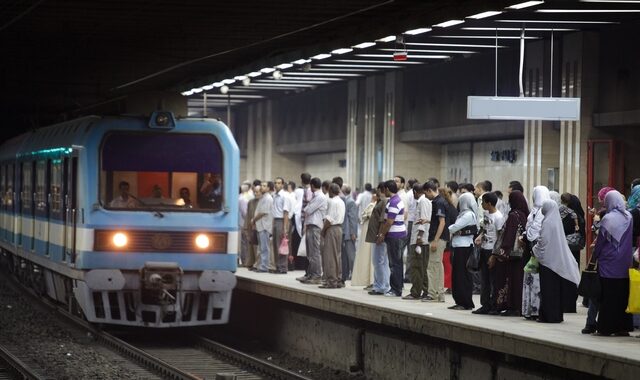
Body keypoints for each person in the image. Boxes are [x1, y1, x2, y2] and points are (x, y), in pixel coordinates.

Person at [593, 190, 634, 336]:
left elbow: (600, 242)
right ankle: (622, 327)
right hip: (624, 263)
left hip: (608, 264)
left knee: (608, 297)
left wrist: (595, 256)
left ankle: (605, 328)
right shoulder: (629, 217)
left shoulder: (608, 219)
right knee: (623, 296)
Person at [533, 200, 581, 323]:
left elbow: (543, 241)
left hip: (548, 261)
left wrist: (535, 249)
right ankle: (556, 315)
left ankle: (548, 316)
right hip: (555, 261)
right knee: (555, 290)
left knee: (547, 290)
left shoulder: (548, 222)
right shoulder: (556, 221)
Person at [489, 190, 528, 316]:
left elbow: (509, 237)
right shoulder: (525, 214)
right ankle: (519, 306)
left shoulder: (513, 215)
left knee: (510, 280)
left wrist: (501, 253)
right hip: (522, 254)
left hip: (511, 256)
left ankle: (512, 307)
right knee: (519, 280)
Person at [473, 192, 504, 314]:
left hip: (492, 251)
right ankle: (484, 304)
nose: (482, 204)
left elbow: (500, 236)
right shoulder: (486, 214)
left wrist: (494, 255)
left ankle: (494, 305)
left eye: (483, 202)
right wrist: (480, 236)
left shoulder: (498, 217)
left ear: (489, 203)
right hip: (484, 249)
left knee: (493, 280)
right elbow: (485, 228)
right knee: (484, 279)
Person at [522, 186, 550, 319]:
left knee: (536, 281)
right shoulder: (535, 211)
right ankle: (530, 309)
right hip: (532, 250)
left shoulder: (543, 211)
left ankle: (536, 309)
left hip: (539, 250)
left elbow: (534, 232)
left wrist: (527, 234)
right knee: (531, 280)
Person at [447, 192, 477, 310]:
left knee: (462, 276)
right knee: (458, 275)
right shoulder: (464, 214)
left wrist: (451, 229)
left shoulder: (468, 215)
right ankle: (460, 300)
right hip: (460, 246)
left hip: (463, 247)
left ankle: (465, 302)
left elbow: (454, 227)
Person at [377, 179, 407, 297]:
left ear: (388, 189)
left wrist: (382, 234)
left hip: (395, 235)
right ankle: (397, 287)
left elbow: (389, 222)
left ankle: (395, 289)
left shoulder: (394, 202)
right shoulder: (395, 200)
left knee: (394, 263)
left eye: (384, 189)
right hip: (398, 235)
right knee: (396, 262)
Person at [403, 183, 431, 300]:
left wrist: (419, 237)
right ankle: (424, 291)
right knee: (421, 267)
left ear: (415, 192)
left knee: (416, 267)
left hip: (419, 239)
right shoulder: (425, 201)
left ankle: (415, 292)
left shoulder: (423, 201)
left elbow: (423, 220)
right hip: (421, 239)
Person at [423, 181, 449, 302]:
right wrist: (427, 221)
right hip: (440, 238)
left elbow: (442, 222)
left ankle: (433, 294)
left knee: (432, 266)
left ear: (429, 190)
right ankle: (439, 294)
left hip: (437, 238)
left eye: (425, 193)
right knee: (438, 266)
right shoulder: (441, 201)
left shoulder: (438, 202)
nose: (425, 196)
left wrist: (435, 240)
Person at [300, 177, 327, 285]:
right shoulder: (316, 196)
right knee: (310, 253)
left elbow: (308, 209)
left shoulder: (320, 197)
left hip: (315, 226)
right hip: (311, 225)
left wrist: (307, 207)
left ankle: (316, 275)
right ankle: (311, 274)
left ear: (312, 186)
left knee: (315, 252)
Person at [366, 183, 391, 295]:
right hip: (378, 235)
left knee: (378, 262)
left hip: (379, 236)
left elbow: (382, 221)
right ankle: (383, 285)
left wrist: (380, 235)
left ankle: (380, 286)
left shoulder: (384, 201)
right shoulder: (381, 201)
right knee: (382, 262)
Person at [321, 183, 345, 289]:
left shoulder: (332, 202)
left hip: (332, 229)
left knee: (330, 255)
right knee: (337, 255)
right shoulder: (341, 201)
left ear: (330, 191)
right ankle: (338, 279)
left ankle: (331, 281)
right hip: (339, 228)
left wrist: (323, 230)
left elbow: (329, 220)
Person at [351, 191, 376, 287]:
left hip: (370, 233)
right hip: (366, 233)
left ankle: (372, 280)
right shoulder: (371, 204)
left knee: (371, 256)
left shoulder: (373, 205)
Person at [271, 177, 291, 274]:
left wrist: (285, 228)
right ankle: (278, 266)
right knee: (275, 244)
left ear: (282, 185)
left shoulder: (285, 196)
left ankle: (283, 267)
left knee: (282, 245)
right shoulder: (274, 195)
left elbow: (286, 212)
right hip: (275, 220)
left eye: (279, 183)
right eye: (275, 183)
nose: (276, 185)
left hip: (281, 221)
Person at [252, 185, 273, 273]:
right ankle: (261, 265)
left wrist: (253, 220)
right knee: (261, 247)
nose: (262, 187)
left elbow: (262, 212)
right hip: (260, 225)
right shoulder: (263, 197)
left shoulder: (268, 198)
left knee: (264, 247)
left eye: (264, 186)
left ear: (268, 188)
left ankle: (264, 267)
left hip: (264, 226)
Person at [341, 185, 358, 281]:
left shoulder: (351, 202)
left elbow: (353, 219)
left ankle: (354, 274)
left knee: (351, 255)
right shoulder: (345, 200)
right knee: (345, 256)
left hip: (349, 233)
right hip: (345, 232)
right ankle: (346, 274)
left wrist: (353, 233)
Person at [244, 185, 261, 270]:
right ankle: (251, 263)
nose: (255, 193)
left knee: (258, 247)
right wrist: (246, 228)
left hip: (260, 226)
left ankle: (257, 264)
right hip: (251, 226)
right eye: (255, 191)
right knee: (251, 246)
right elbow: (247, 215)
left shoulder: (263, 201)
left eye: (257, 192)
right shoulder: (251, 202)